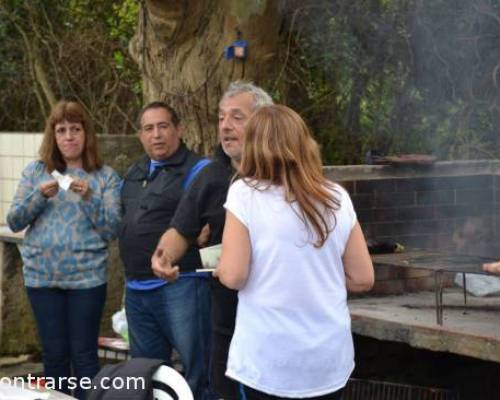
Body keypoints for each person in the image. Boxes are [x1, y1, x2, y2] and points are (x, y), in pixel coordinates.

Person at [215, 104, 375, 400]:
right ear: (304, 144)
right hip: (327, 362)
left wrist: (221, 269)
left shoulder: (244, 193)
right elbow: (363, 278)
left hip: (268, 362)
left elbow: (235, 275)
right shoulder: (337, 197)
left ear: (253, 147)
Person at [151, 81, 273, 399]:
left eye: (236, 117)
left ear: (263, 122)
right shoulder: (210, 177)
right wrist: (163, 257)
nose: (225, 127)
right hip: (227, 321)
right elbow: (180, 231)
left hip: (274, 324)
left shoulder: (285, 177)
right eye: (221, 118)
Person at [7, 100, 121, 400]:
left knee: (84, 357)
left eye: (75, 129)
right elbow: (15, 220)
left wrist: (90, 198)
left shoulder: (105, 176)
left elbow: (112, 229)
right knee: (54, 357)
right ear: (53, 136)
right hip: (41, 281)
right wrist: (38, 197)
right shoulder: (35, 172)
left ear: (87, 134)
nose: (69, 136)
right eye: (62, 130)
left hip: (86, 281)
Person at [118, 101, 211, 400]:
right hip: (136, 289)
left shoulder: (199, 170)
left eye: (163, 126)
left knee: (199, 372)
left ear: (179, 130)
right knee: (146, 374)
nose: (156, 135)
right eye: (148, 128)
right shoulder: (134, 172)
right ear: (140, 135)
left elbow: (213, 220)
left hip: (181, 286)